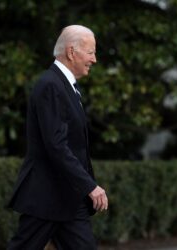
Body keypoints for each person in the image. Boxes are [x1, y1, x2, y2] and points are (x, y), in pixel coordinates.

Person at [7, 25, 108, 250]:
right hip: (47, 198)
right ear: (72, 52)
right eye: (91, 52)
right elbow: (56, 145)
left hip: (69, 200)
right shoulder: (50, 85)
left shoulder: (64, 86)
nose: (95, 59)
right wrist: (90, 186)